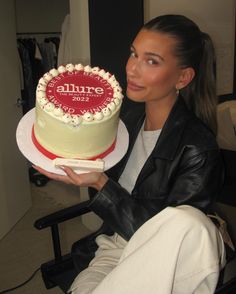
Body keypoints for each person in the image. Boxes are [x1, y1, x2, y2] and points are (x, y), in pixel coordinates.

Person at [34, 14, 225, 293]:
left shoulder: (198, 150)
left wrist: (100, 184)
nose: (132, 69)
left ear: (183, 77)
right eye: (133, 54)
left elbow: (168, 239)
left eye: (151, 61)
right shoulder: (126, 124)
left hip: (162, 261)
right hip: (110, 249)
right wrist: (85, 173)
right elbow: (114, 204)